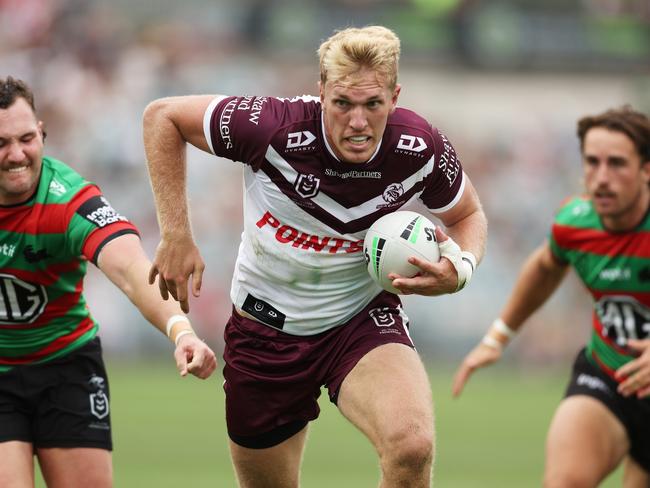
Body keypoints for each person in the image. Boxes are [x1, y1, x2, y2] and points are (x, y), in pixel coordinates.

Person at [143, 25, 487, 487]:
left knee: (412, 447)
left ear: (394, 96)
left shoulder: (418, 146)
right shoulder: (271, 127)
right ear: (321, 92)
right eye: (343, 103)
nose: (358, 122)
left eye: (373, 104)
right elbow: (162, 117)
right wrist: (176, 233)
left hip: (359, 320)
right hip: (264, 331)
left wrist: (460, 268)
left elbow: (468, 214)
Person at [0, 76, 217, 488]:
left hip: (66, 366)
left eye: (27, 138)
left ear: (42, 132)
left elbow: (134, 272)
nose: (17, 155)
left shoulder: (66, 200)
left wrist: (181, 331)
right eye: (1, 144)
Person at [452, 106, 650, 487]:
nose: (601, 178)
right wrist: (499, 336)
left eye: (617, 164)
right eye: (592, 162)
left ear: (646, 169)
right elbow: (545, 266)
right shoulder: (576, 223)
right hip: (608, 376)